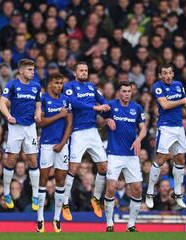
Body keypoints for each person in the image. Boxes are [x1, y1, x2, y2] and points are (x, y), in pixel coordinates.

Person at [146, 63, 186, 209]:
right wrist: (182, 101)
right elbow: (165, 105)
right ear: (160, 75)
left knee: (180, 158)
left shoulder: (178, 85)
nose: (168, 76)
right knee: (161, 158)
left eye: (170, 72)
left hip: (179, 128)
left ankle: (177, 193)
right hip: (165, 127)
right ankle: (150, 192)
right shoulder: (158, 86)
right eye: (165, 73)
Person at [62, 61, 110, 221]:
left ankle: (95, 198)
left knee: (104, 167)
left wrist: (107, 112)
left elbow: (103, 101)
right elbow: (74, 103)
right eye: (81, 70)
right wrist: (94, 108)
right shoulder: (69, 86)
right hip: (78, 132)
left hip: (93, 132)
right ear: (75, 72)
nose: (84, 72)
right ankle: (65, 203)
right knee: (74, 168)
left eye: (86, 70)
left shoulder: (91, 87)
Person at [103, 81, 147, 232]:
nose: (127, 93)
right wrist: (106, 120)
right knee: (111, 187)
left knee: (137, 189)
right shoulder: (111, 105)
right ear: (118, 92)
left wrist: (138, 139)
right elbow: (98, 120)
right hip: (114, 154)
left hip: (131, 154)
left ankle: (131, 224)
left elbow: (143, 128)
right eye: (124, 91)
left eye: (129, 91)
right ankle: (109, 223)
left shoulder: (137, 108)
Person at [0, 58, 42, 211]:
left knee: (32, 160)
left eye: (33, 69)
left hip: (30, 127)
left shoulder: (36, 86)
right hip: (15, 127)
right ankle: (6, 192)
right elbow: (1, 102)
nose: (33, 72)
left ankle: (35, 196)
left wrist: (38, 115)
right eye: (30, 69)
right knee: (11, 159)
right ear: (22, 71)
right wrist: (7, 116)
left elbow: (38, 105)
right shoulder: (12, 85)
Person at [36, 73, 73, 232]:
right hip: (46, 145)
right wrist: (59, 114)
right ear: (50, 84)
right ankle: (40, 219)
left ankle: (57, 219)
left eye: (61, 83)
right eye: (57, 83)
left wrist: (62, 143)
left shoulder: (66, 100)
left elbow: (70, 123)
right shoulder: (43, 99)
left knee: (60, 179)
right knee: (43, 179)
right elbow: (41, 122)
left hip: (62, 145)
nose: (60, 86)